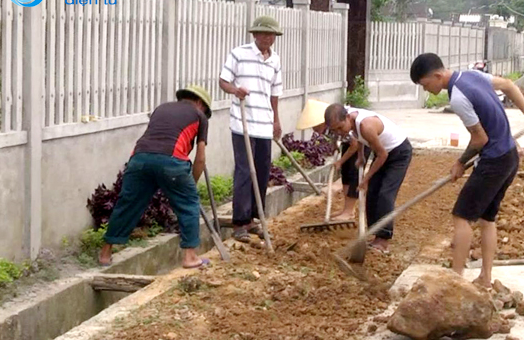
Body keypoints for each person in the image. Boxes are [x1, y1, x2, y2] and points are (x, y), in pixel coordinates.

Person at [410, 52, 524, 288]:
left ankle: (455, 280)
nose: (426, 90)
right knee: (486, 218)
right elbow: (509, 85)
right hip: (509, 156)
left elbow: (479, 139)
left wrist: (460, 162)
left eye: (426, 85)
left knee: (461, 217)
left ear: (438, 75)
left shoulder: (458, 98)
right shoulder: (471, 75)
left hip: (493, 162)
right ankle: (485, 278)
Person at [99, 85, 212, 269]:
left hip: (139, 158)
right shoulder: (199, 115)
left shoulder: (161, 108)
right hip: (172, 160)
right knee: (189, 204)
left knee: (128, 203)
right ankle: (190, 257)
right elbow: (200, 158)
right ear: (200, 103)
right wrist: (192, 182)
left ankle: (105, 253)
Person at [219, 16, 283, 243]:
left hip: (264, 123)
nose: (268, 38)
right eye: (264, 34)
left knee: (263, 171)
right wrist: (236, 90)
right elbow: (223, 81)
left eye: (272, 35)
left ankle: (253, 219)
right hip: (242, 121)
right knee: (245, 171)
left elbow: (275, 93)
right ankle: (239, 222)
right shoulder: (239, 53)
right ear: (255, 35)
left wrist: (276, 120)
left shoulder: (275, 60)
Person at [324, 103, 412, 253]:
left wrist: (366, 178)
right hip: (383, 153)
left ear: (347, 117)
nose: (339, 132)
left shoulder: (366, 125)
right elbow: (360, 140)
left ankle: (383, 240)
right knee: (371, 193)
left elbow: (382, 154)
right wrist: (360, 157)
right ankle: (374, 233)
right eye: (335, 130)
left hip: (398, 153)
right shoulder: (351, 121)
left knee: (385, 194)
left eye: (340, 128)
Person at [296, 99, 371, 220]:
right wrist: (334, 146)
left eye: (315, 126)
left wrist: (340, 161)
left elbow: (355, 144)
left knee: (353, 175)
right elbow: (335, 136)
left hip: (361, 144)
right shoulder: (330, 127)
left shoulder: (345, 122)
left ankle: (349, 210)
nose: (314, 129)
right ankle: (347, 210)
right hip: (349, 144)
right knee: (345, 175)